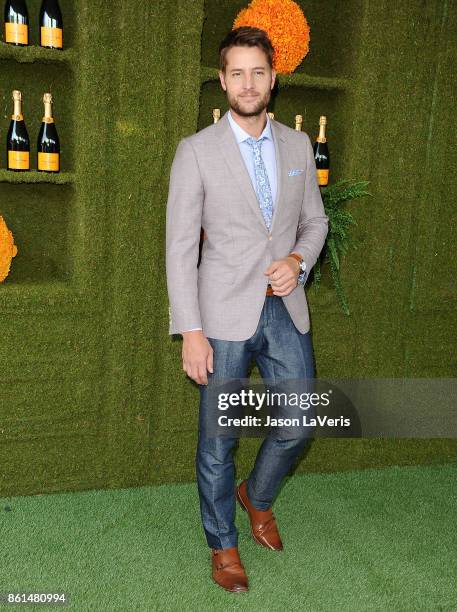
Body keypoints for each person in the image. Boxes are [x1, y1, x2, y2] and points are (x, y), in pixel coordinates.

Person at [166, 26, 328, 593]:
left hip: (284, 306)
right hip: (221, 314)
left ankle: (254, 497)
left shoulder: (298, 147)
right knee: (219, 439)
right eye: (237, 73)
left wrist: (299, 261)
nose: (248, 82)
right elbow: (181, 246)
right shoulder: (196, 151)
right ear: (223, 80)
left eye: (258, 71)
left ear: (273, 79)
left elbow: (316, 222)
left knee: (299, 420)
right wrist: (190, 330)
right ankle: (224, 543)